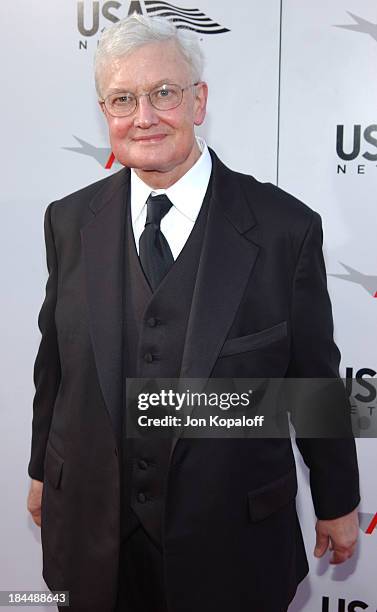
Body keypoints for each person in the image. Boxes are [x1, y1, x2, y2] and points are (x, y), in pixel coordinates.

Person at [27, 14, 360, 612]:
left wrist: (337, 500)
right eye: (123, 99)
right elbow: (55, 360)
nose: (144, 117)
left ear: (198, 101)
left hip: (230, 541)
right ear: (105, 111)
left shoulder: (286, 229)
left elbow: (311, 383)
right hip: (94, 536)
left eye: (164, 93)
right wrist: (37, 469)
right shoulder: (69, 221)